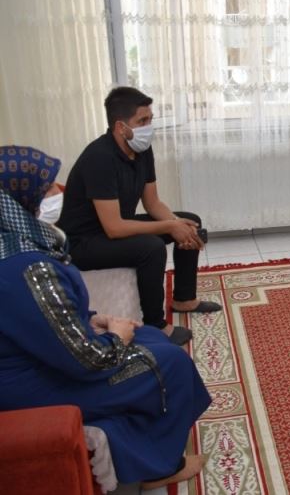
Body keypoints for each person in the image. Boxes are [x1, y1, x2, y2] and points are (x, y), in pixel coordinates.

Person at [0, 145, 211, 488]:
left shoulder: (14, 244)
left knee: (151, 336)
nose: (57, 193)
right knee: (170, 362)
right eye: (48, 187)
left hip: (38, 358)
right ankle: (160, 467)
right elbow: (89, 360)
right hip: (31, 384)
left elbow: (39, 318)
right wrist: (116, 336)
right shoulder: (28, 268)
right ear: (22, 197)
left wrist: (92, 320)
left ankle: (141, 444)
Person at [58, 87, 221, 346]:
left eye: (150, 119)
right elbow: (113, 228)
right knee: (151, 248)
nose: (149, 127)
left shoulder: (142, 149)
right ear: (121, 127)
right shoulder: (99, 158)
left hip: (113, 228)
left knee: (190, 221)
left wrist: (176, 224)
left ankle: (184, 299)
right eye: (142, 121)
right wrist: (169, 226)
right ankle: (157, 326)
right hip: (84, 242)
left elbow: (152, 202)